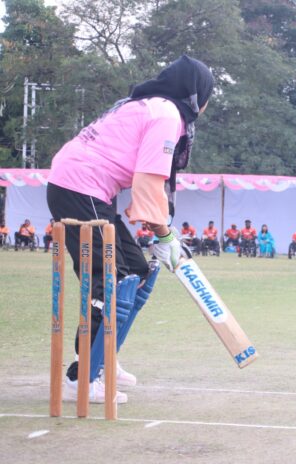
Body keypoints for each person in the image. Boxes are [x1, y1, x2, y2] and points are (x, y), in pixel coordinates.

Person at [46, 55, 214, 403]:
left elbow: (148, 180)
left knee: (134, 271)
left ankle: (104, 359)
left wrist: (163, 232)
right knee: (109, 276)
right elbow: (149, 182)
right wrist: (164, 235)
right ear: (197, 94)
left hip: (86, 187)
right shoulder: (166, 114)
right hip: (80, 185)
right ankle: (83, 374)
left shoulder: (153, 106)